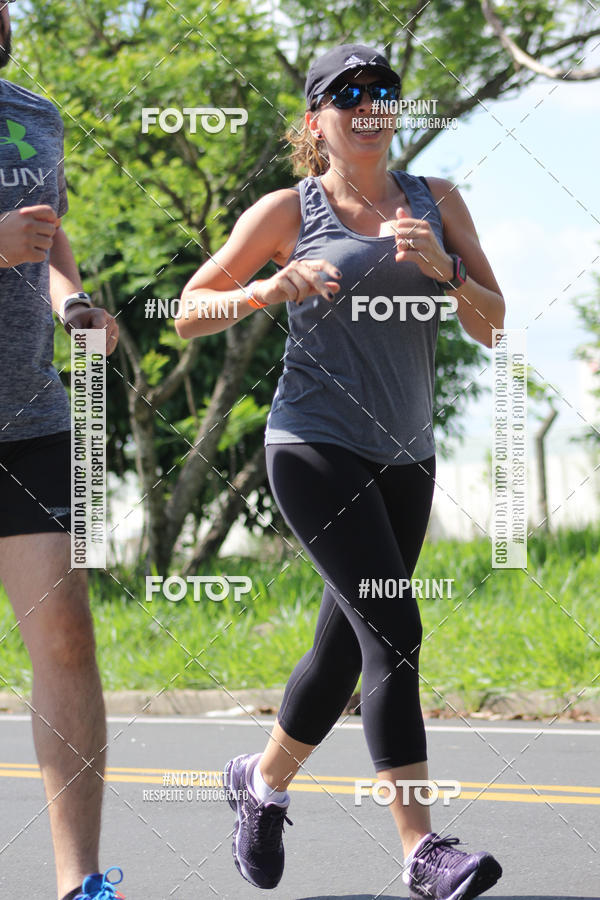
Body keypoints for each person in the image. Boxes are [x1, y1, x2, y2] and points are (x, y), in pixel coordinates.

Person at [176, 42, 505, 900]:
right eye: (348, 92)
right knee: (396, 632)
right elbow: (187, 312)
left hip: (407, 455)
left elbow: (494, 324)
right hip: (312, 447)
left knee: (338, 656)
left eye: (384, 90)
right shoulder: (292, 209)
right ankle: (422, 850)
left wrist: (447, 268)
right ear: (317, 119)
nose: (370, 104)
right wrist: (266, 289)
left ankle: (260, 783)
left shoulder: (438, 202)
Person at [0, 4, 123, 899]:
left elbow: (47, 236)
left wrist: (71, 302)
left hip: (30, 418)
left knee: (68, 640)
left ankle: (80, 885)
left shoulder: (35, 113)